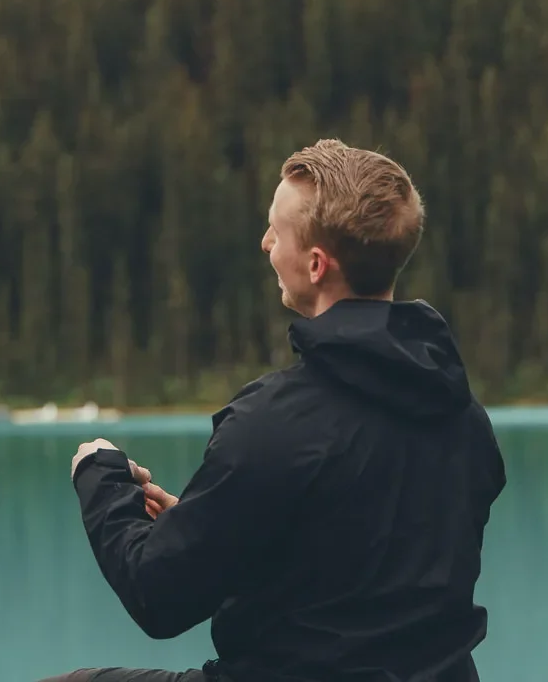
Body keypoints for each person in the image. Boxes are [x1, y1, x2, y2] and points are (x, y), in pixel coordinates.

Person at [48, 139, 507, 682]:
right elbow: (366, 577)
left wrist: (100, 477)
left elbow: (159, 596)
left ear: (316, 264)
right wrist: (213, 525)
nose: (266, 243)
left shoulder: (274, 422)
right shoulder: (465, 418)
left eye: (276, 231)